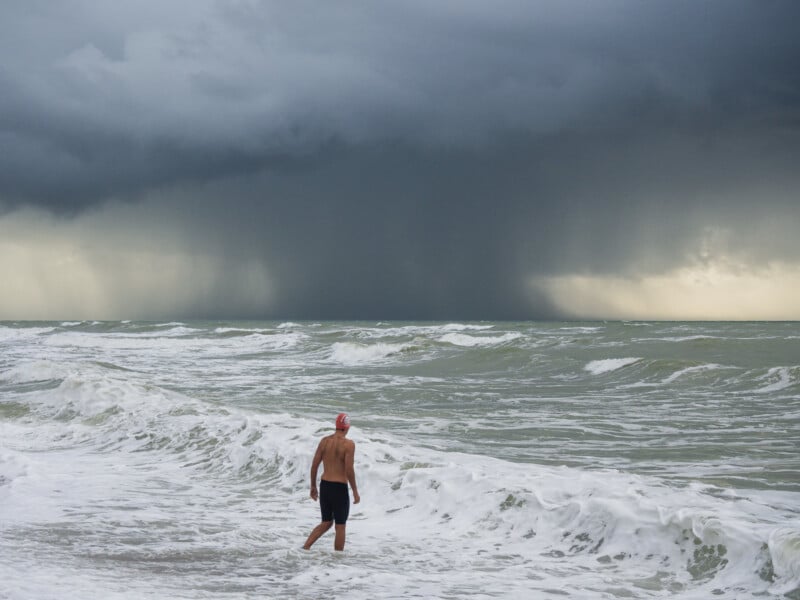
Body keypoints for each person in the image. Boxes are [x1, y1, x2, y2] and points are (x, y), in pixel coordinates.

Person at [303, 412, 361, 551]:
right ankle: (338, 560)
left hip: (325, 486)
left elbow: (314, 465)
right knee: (340, 526)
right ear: (347, 427)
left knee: (326, 522)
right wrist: (355, 491)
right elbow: (349, 470)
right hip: (339, 487)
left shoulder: (324, 441)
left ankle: (305, 547)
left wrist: (313, 486)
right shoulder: (349, 445)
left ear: (336, 426)